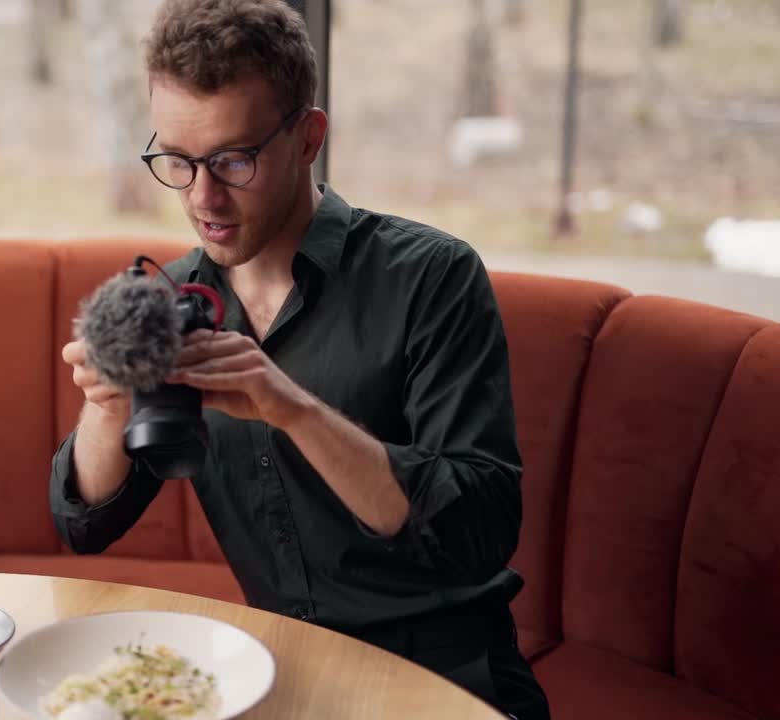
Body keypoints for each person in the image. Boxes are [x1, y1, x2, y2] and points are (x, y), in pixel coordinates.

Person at [48, 1, 550, 717]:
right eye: (177, 161)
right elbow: (85, 526)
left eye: (232, 159)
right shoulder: (172, 299)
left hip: (448, 672)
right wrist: (105, 406)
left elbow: (480, 533)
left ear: (309, 138)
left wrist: (290, 407)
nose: (203, 197)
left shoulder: (432, 276)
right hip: (280, 672)